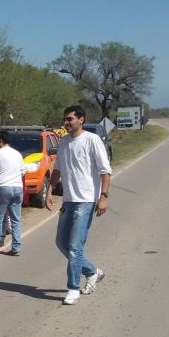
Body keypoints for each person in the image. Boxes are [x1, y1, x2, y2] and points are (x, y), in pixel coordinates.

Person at [45, 105, 111, 305]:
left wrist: (104, 196)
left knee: (75, 247)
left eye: (70, 119)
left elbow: (105, 171)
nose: (66, 123)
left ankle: (73, 288)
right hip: (69, 200)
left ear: (81, 119)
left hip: (86, 200)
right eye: (65, 119)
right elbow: (57, 168)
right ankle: (92, 271)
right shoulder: (64, 142)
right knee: (61, 243)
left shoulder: (92, 140)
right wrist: (49, 190)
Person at [0, 131, 25, 256]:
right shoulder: (17, 153)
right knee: (16, 220)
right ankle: (16, 248)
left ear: (0, 141)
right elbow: (23, 171)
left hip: (2, 188)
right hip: (18, 188)